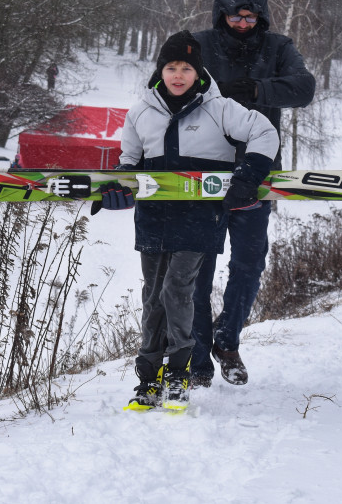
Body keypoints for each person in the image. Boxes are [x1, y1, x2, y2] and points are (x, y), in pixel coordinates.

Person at [98, 30, 278, 411]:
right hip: (153, 219)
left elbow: (265, 132)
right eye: (171, 67)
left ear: (198, 73)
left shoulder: (220, 108)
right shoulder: (140, 111)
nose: (178, 75)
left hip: (198, 219)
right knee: (152, 297)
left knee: (177, 292)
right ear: (160, 71)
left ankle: (180, 373)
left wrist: (247, 178)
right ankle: (150, 378)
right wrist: (120, 188)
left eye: (186, 68)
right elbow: (128, 162)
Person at [189, 0, 316, 388]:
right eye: (235, 16)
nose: (243, 24)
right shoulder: (199, 45)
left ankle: (228, 340)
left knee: (249, 263)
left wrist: (257, 90)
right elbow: (167, 85)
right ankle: (198, 357)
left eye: (250, 16)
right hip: (203, 169)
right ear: (220, 13)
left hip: (257, 171)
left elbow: (303, 88)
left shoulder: (278, 47)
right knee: (198, 265)